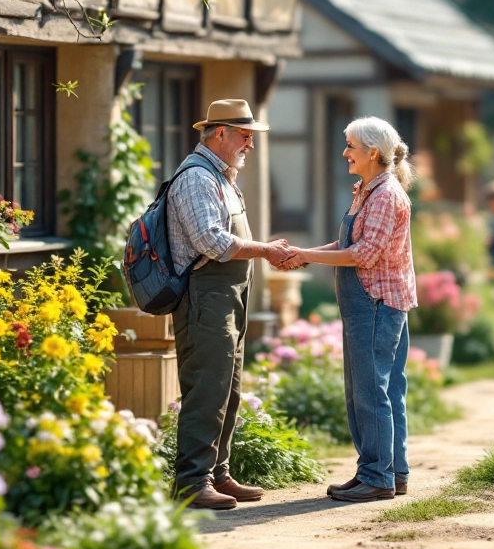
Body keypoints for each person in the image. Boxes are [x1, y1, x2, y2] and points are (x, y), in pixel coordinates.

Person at [166, 98, 297, 510]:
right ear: (219, 133)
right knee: (207, 387)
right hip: (205, 298)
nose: (251, 145)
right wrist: (265, 250)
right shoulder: (196, 178)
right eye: (245, 136)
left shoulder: (222, 177)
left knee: (229, 388)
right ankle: (191, 481)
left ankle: (218, 474)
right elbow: (212, 242)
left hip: (228, 296)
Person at [282, 117, 417, 503]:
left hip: (374, 304)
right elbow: (347, 241)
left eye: (351, 146)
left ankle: (376, 477)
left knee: (369, 392)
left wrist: (305, 254)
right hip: (377, 304)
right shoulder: (369, 190)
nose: (345, 153)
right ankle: (393, 472)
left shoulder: (386, 195)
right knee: (386, 389)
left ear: (373, 153)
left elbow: (365, 254)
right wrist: (304, 256)